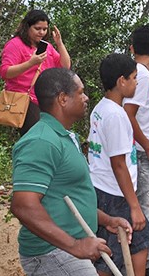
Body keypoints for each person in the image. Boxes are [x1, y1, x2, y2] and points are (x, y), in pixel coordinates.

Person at [11, 67, 132, 276]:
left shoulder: (64, 137)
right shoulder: (41, 141)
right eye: (80, 92)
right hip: (51, 253)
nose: (86, 98)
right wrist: (75, 245)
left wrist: (106, 220)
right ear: (63, 99)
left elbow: (68, 199)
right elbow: (23, 205)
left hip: (64, 249)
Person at [88, 54, 149, 276]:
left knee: (140, 239)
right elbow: (118, 164)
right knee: (111, 252)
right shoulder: (116, 115)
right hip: (116, 194)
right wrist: (134, 206)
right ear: (121, 81)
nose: (137, 83)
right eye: (134, 78)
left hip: (105, 187)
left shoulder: (102, 107)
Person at [123, 25, 149, 276]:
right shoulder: (143, 76)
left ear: (131, 47)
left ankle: (136, 260)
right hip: (141, 151)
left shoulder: (134, 73)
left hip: (143, 149)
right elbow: (129, 115)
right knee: (145, 209)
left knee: (136, 207)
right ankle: (147, 265)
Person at [0, 10, 71, 135]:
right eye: (37, 28)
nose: (41, 32)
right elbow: (5, 72)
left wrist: (59, 43)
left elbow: (65, 66)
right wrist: (30, 63)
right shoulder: (15, 44)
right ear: (27, 27)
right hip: (26, 100)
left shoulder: (47, 47)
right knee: (36, 137)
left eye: (44, 29)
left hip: (46, 99)